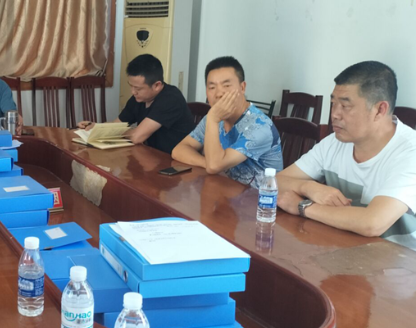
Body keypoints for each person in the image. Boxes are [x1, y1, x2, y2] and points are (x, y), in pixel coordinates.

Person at [277, 61, 416, 250]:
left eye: (345, 106)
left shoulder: (410, 152)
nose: (334, 114)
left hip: (398, 261)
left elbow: (372, 223)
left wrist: (302, 206)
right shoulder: (335, 142)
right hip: (343, 249)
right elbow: (276, 181)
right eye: (333, 104)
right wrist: (308, 187)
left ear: (379, 110)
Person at [171, 56, 282, 187]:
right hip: (223, 190)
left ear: (242, 87)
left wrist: (213, 119)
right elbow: (179, 150)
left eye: (227, 85)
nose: (219, 93)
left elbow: (214, 166)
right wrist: (206, 163)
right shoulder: (214, 117)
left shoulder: (260, 126)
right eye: (212, 87)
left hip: (259, 198)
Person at [76, 54, 195, 154]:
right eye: (131, 86)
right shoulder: (139, 98)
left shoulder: (171, 99)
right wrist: (96, 127)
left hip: (175, 162)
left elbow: (136, 137)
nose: (133, 92)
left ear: (157, 85)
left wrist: (119, 131)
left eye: (138, 88)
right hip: (150, 155)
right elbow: (116, 124)